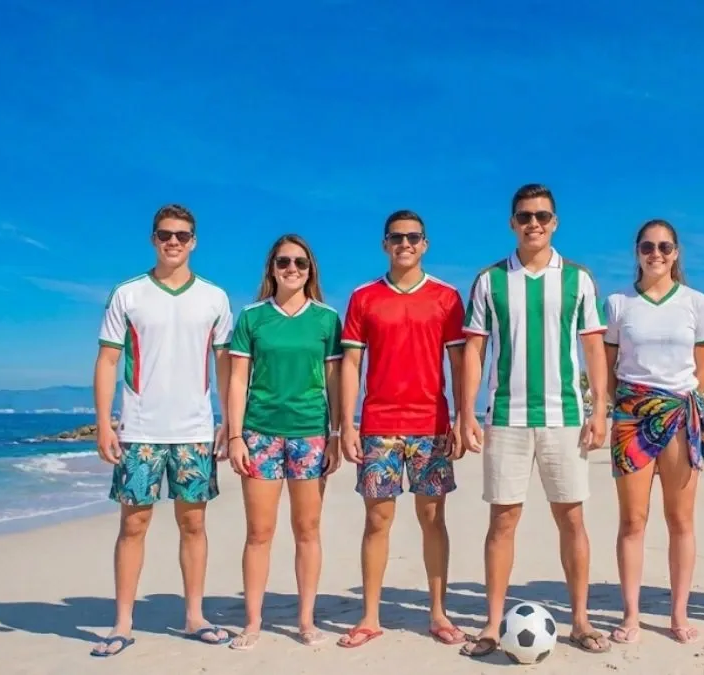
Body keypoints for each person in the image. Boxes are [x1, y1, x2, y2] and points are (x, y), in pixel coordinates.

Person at [458, 183, 612, 658]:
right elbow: (475, 349)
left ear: (555, 222)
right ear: (512, 222)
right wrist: (465, 411)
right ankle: (489, 624)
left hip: (565, 416)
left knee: (571, 517)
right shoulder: (490, 280)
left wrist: (600, 408)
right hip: (505, 416)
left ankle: (581, 621)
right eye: (525, 216)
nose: (534, 224)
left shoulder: (578, 279)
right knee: (503, 519)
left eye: (543, 216)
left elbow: (592, 348)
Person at [90, 203, 235, 658]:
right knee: (134, 524)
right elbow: (108, 360)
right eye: (165, 234)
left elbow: (226, 365)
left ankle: (194, 616)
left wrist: (230, 422)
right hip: (139, 431)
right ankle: (122, 623)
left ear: (194, 241)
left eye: (182, 235)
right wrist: (103, 424)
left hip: (194, 430)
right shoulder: (128, 294)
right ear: (153, 239)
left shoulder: (214, 298)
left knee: (194, 523)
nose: (173, 241)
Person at [336, 210, 468, 648]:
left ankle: (438, 613)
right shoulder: (364, 297)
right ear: (385, 245)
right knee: (377, 519)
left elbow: (458, 360)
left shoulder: (447, 297)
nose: (405, 244)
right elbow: (351, 362)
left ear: (425, 244)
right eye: (396, 238)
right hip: (379, 426)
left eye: (413, 237)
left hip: (431, 427)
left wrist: (463, 418)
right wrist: (347, 423)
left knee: (433, 518)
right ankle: (370, 616)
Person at [226, 234, 343, 650]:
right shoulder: (252, 317)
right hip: (259, 434)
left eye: (300, 263)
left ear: (311, 270)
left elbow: (334, 381)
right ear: (271, 269)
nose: (292, 269)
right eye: (283, 262)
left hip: (310, 434)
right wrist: (235, 434)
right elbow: (238, 379)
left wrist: (336, 435)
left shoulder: (327, 319)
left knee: (307, 529)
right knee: (259, 531)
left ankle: (306, 620)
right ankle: (253, 622)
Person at [604, 219, 704, 645]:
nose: (656, 254)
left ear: (676, 253)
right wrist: (624, 405)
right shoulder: (618, 304)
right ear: (637, 251)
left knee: (680, 519)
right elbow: (610, 365)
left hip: (680, 416)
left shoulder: (695, 302)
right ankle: (631, 615)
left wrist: (680, 403)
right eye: (648, 247)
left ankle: (678, 614)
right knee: (633, 521)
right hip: (632, 417)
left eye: (664, 247)